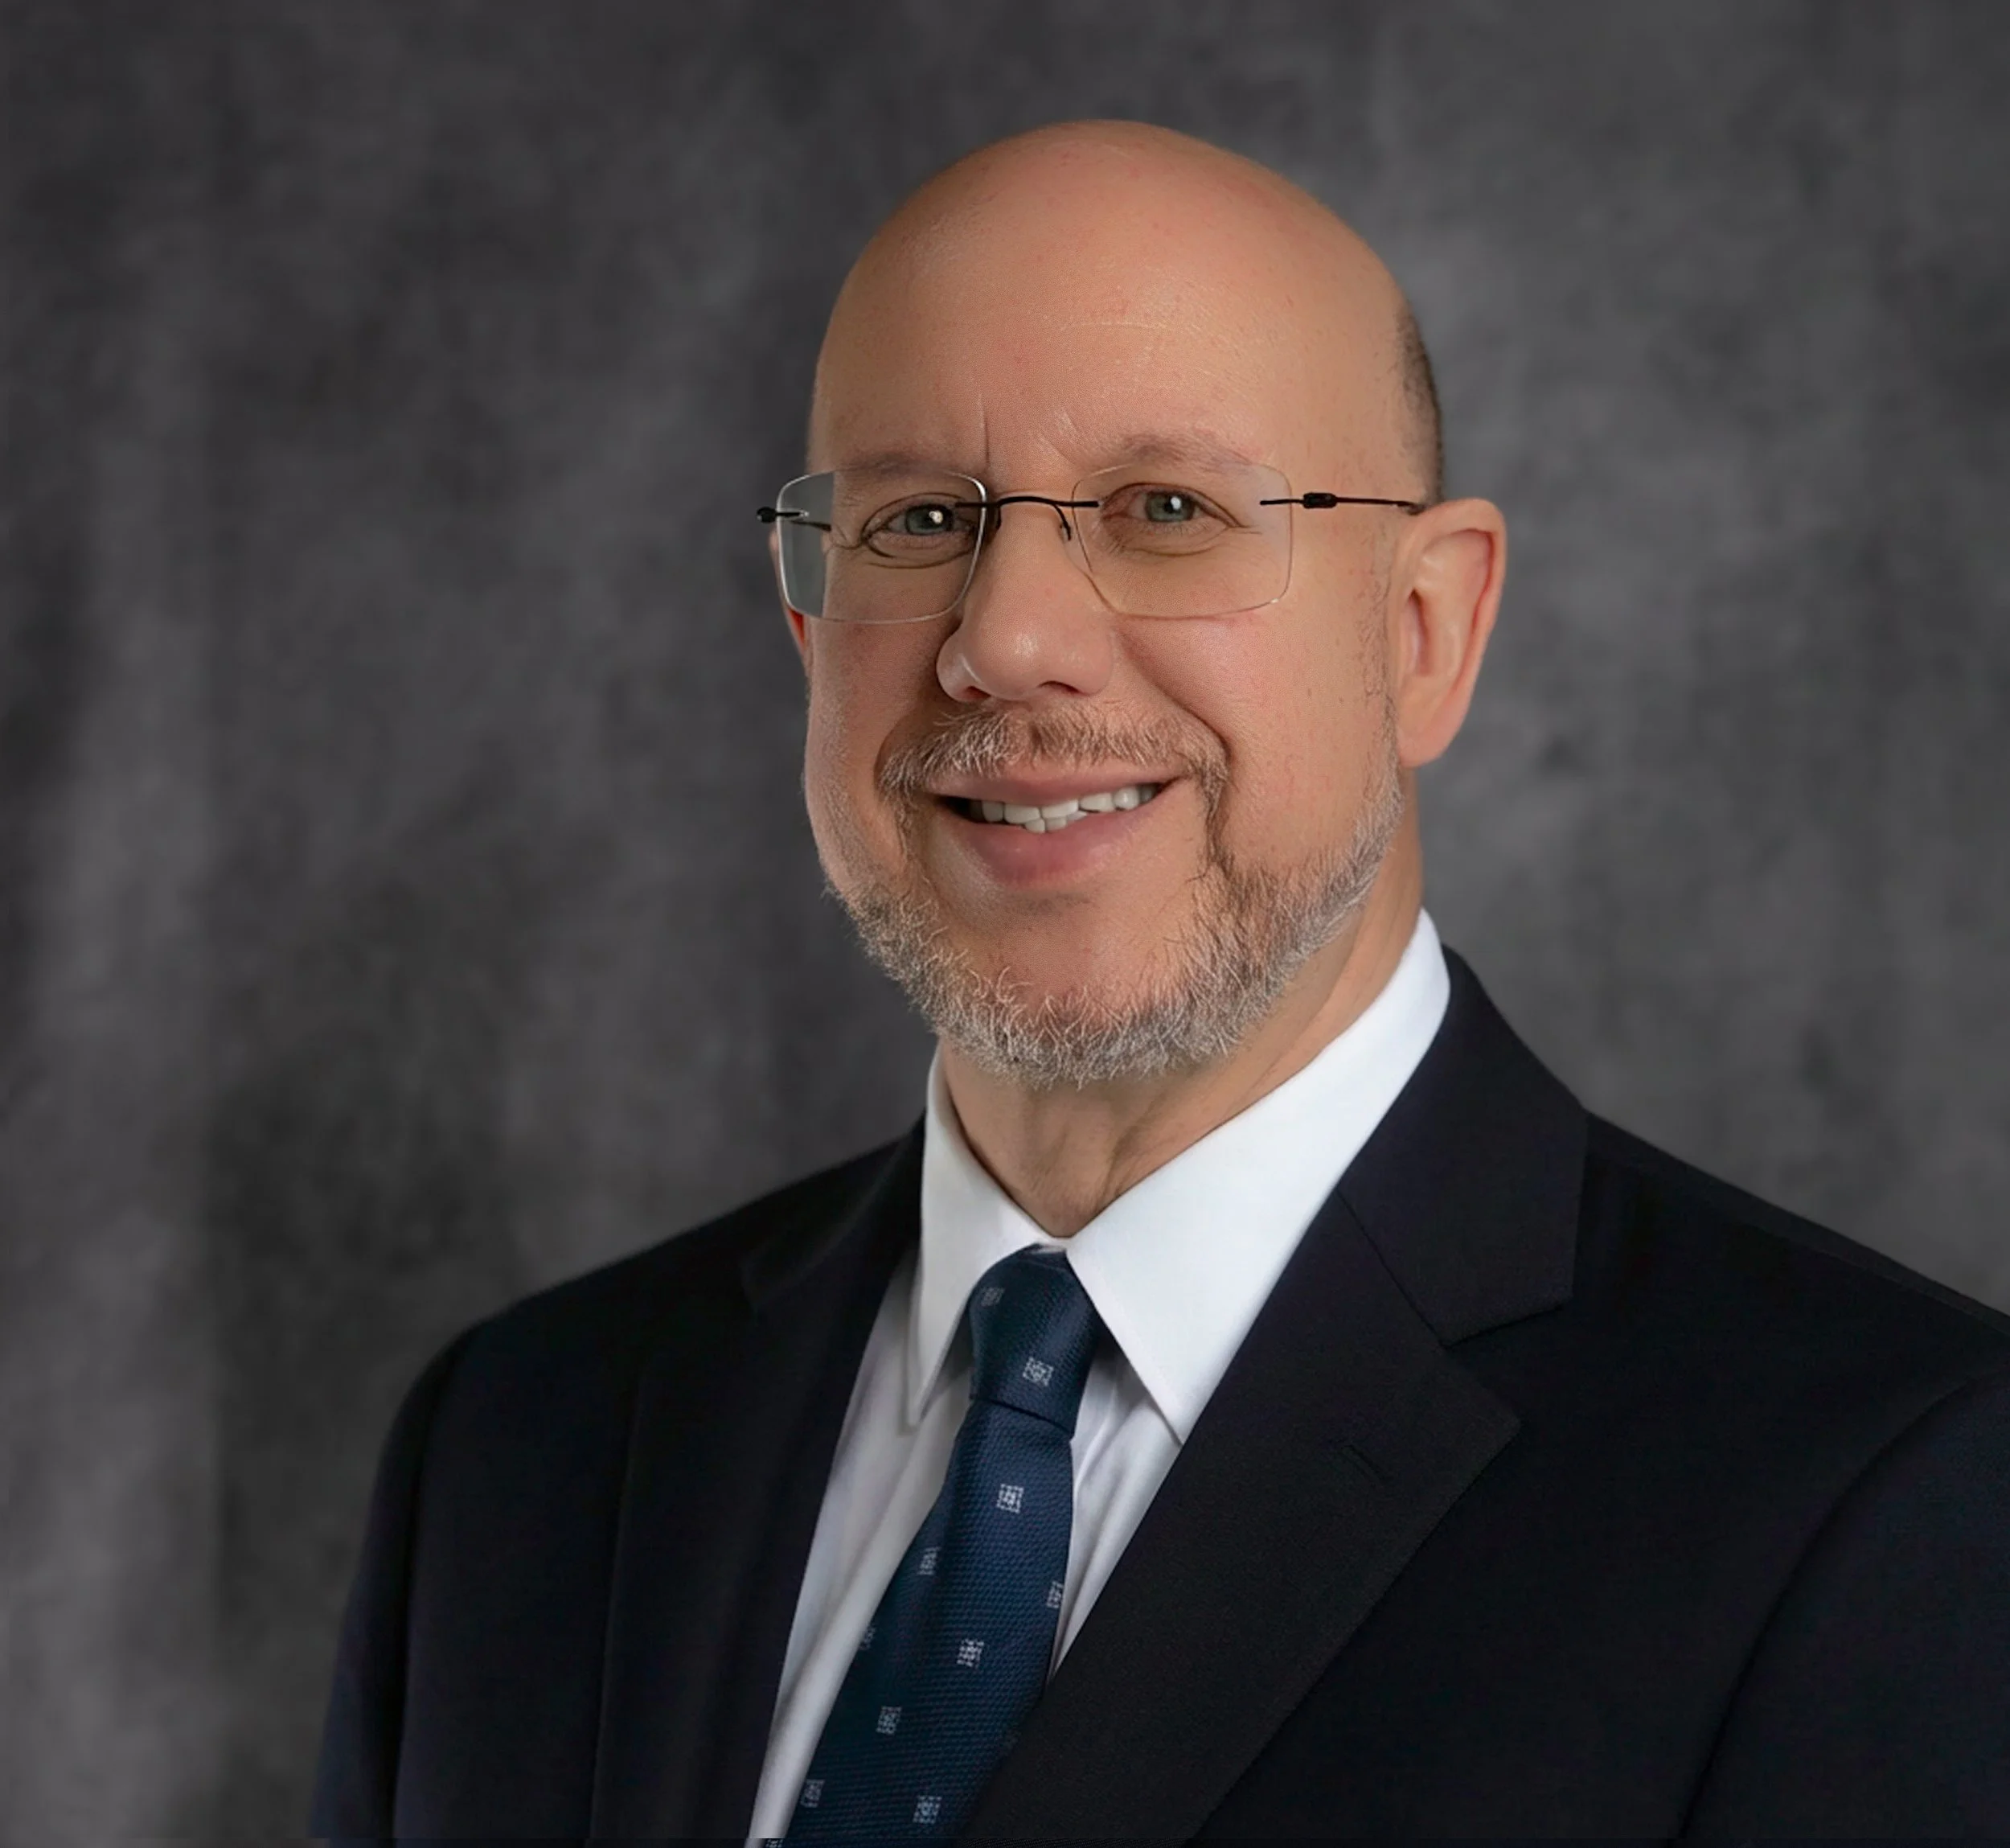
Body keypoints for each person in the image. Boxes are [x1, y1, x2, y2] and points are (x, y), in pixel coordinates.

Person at [311, 121, 2010, 1839]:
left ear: (1423, 631)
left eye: (1166, 511)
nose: (1004, 639)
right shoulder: (521, 1444)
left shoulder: (1888, 1499)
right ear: (810, 624)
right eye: (917, 518)